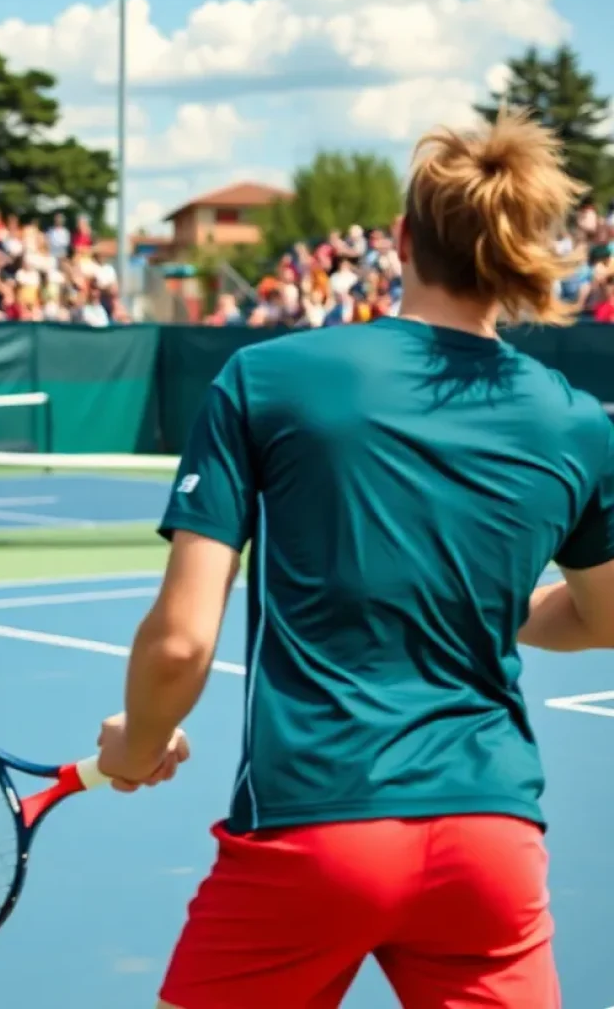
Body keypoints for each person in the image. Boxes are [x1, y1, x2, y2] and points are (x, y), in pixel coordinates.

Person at [95, 107, 614, 1008]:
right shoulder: (577, 421)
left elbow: (180, 644)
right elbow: (605, 620)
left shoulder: (264, 378)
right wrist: (494, 609)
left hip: (313, 829)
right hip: (491, 842)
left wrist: (136, 748)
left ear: (403, 240)